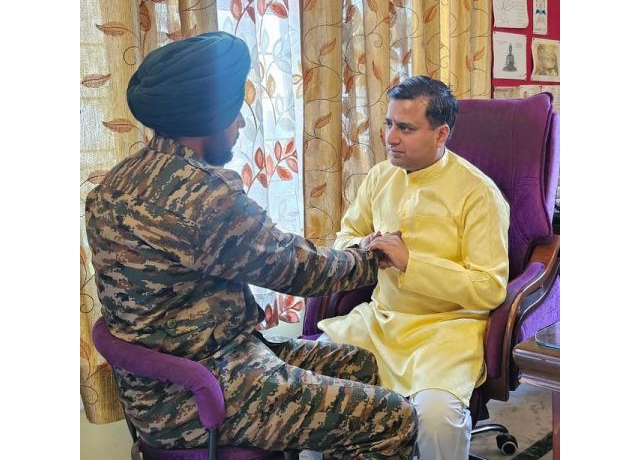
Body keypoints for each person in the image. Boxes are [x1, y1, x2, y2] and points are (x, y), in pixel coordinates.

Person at [84, 31, 418, 459]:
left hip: (162, 387)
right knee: (395, 418)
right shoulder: (201, 195)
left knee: (359, 364)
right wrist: (371, 258)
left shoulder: (118, 181)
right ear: (206, 116)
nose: (241, 122)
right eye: (234, 110)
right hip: (199, 394)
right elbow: (295, 268)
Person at [316, 76, 510, 460]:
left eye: (405, 128)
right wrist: (363, 247)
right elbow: (345, 237)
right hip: (381, 321)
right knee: (313, 385)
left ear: (441, 134)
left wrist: (410, 262)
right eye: (389, 123)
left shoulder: (478, 193)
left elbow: (489, 287)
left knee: (437, 418)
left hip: (447, 330)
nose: (390, 137)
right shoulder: (380, 176)